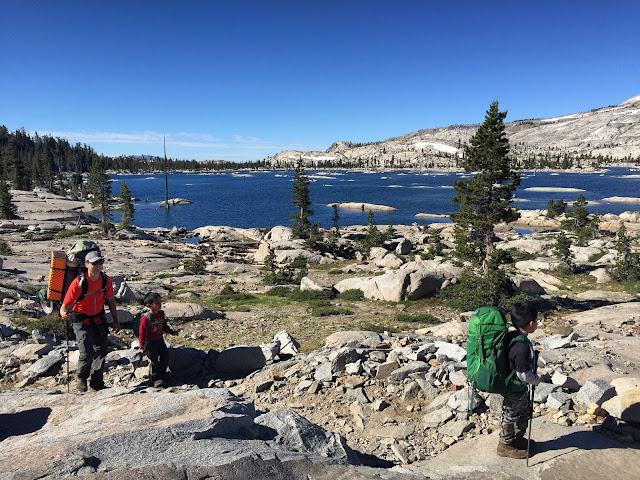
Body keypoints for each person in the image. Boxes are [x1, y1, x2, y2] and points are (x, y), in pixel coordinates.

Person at [60, 251, 120, 392]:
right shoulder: (78, 283)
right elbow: (65, 305)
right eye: (94, 263)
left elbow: (111, 301)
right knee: (86, 352)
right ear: (87, 264)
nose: (98, 265)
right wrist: (63, 313)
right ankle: (81, 378)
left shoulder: (105, 280)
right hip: (81, 320)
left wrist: (115, 321)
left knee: (101, 350)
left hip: (98, 318)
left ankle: (96, 382)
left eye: (100, 262)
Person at [497, 301, 541, 459]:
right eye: (536, 321)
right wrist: (536, 379)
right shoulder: (521, 346)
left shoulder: (513, 335)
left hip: (516, 387)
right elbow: (523, 375)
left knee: (523, 412)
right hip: (513, 387)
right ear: (531, 324)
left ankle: (517, 439)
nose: (536, 324)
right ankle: (505, 446)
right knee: (510, 415)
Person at [138, 292, 177, 387]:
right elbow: (142, 333)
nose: (160, 304)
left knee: (165, 357)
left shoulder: (160, 314)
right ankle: (154, 379)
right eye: (157, 302)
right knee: (154, 361)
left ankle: (162, 375)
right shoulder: (145, 318)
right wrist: (142, 346)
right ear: (149, 305)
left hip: (160, 339)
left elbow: (164, 326)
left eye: (160, 302)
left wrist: (172, 332)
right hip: (150, 342)